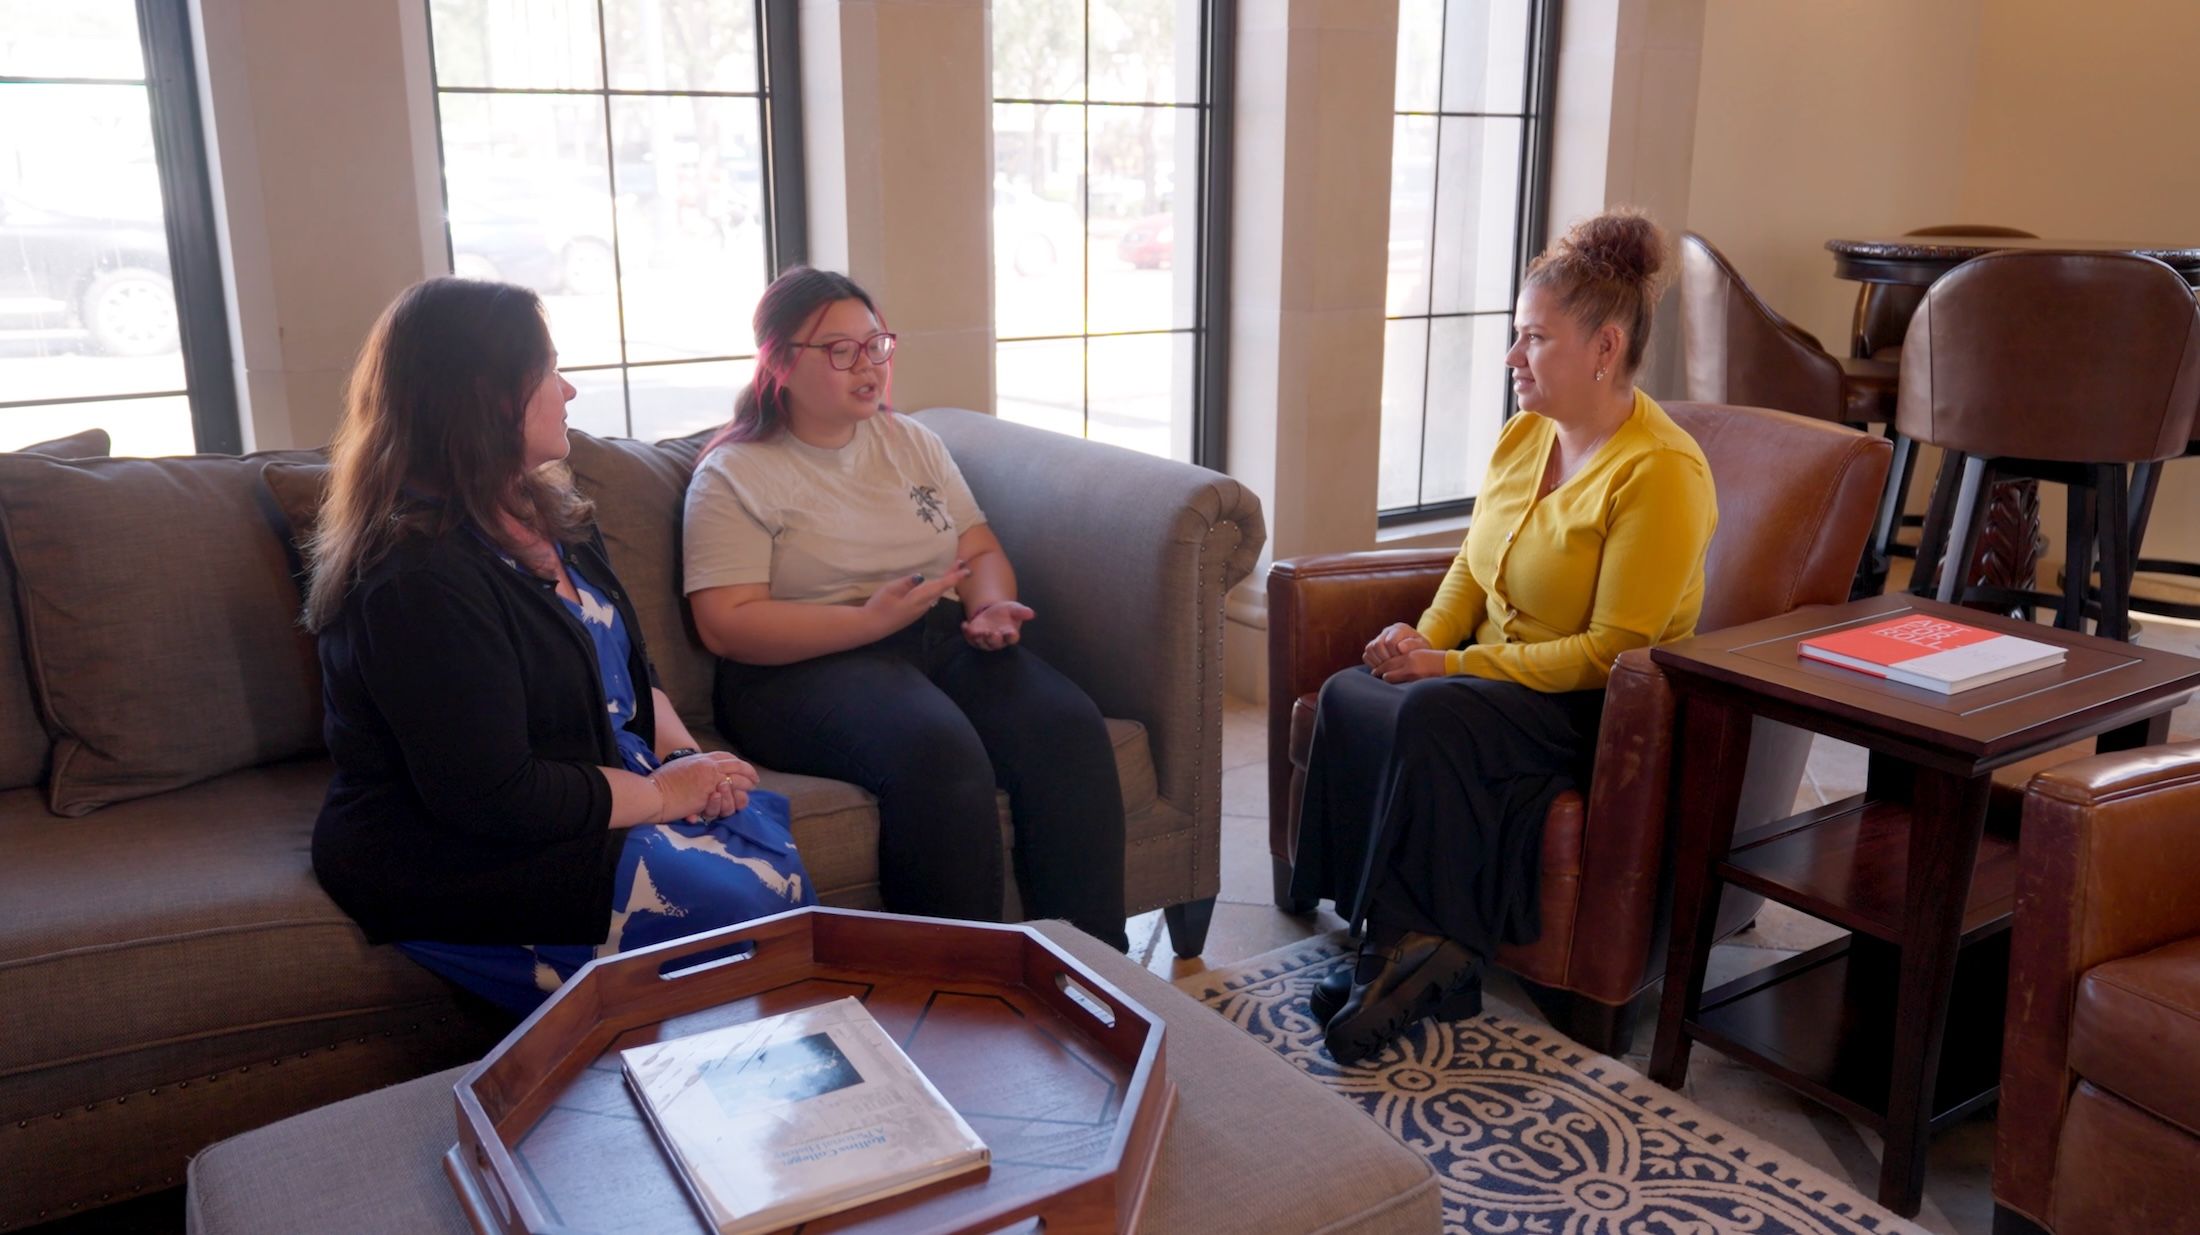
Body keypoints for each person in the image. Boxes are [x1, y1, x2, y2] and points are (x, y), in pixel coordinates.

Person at [305, 277, 813, 1015]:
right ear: (484, 397)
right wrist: (667, 794)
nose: (568, 389)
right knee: (746, 904)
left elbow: (632, 677)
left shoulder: (551, 511)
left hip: (595, 792)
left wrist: (684, 759)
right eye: (547, 371)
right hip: (462, 848)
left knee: (763, 839)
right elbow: (494, 794)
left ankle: (789, 1097)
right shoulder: (415, 580)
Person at [1292, 210, 1717, 1064]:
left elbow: (1612, 651)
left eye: (1533, 339)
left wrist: (1445, 664)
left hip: (1588, 708)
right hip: (1494, 679)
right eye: (1514, 336)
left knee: (1429, 715)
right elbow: (1473, 568)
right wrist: (1417, 637)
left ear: (1604, 347)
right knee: (1351, 691)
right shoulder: (1526, 436)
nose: (1513, 358)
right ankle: (1396, 939)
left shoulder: (1660, 473)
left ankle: (1417, 956)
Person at [682, 266, 1129, 951]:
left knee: (1065, 724)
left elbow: (977, 547)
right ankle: (957, 994)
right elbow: (726, 622)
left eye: (876, 345)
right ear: (778, 361)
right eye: (840, 351)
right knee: (936, 752)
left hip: (932, 635)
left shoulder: (912, 442)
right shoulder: (735, 473)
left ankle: (1091, 967)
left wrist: (989, 607)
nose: (868, 367)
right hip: (801, 664)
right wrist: (867, 621)